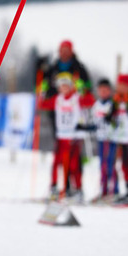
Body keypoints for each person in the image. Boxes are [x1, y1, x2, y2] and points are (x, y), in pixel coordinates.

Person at [39, 72, 90, 202]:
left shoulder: (76, 97)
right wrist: (42, 91)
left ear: (71, 86)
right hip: (61, 136)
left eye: (66, 85)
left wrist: (83, 88)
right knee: (56, 163)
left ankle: (78, 190)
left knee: (73, 165)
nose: (64, 88)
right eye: (61, 86)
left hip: (73, 137)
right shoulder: (58, 99)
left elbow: (89, 101)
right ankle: (54, 188)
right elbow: (43, 104)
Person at [41, 40, 93, 139]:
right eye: (62, 50)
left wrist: (82, 87)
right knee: (58, 133)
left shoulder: (79, 67)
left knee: (75, 136)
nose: (64, 53)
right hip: (57, 104)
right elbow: (44, 84)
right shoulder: (53, 67)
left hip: (74, 105)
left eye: (67, 50)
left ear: (71, 51)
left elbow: (88, 86)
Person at [105, 74, 128, 203]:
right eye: (119, 85)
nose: (121, 88)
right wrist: (114, 103)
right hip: (122, 138)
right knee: (124, 165)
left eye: (124, 86)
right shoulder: (117, 100)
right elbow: (109, 118)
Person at [91, 78, 119, 201]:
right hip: (101, 138)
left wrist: (111, 119)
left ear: (110, 91)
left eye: (105, 90)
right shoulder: (96, 105)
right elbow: (94, 122)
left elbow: (118, 121)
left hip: (112, 138)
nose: (103, 92)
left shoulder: (113, 104)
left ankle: (115, 191)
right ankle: (104, 190)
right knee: (102, 165)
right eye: (101, 90)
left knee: (110, 165)